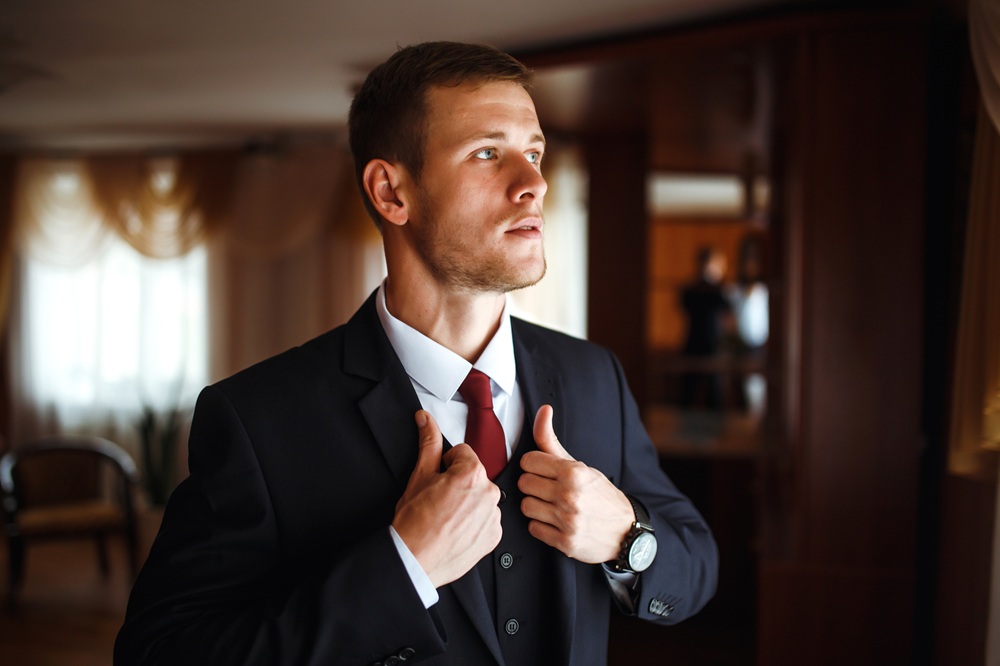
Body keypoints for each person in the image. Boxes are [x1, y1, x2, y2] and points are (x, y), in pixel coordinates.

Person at [115, 41, 717, 666]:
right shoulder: (260, 419)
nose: (534, 183)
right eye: (489, 153)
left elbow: (697, 567)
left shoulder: (594, 376)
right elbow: (158, 653)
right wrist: (403, 568)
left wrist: (626, 538)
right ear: (391, 192)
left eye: (534, 153)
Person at [678, 246, 732, 410]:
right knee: (694, 390)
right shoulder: (700, 289)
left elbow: (727, 309)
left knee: (707, 391)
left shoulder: (706, 289)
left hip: (706, 345)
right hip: (705, 344)